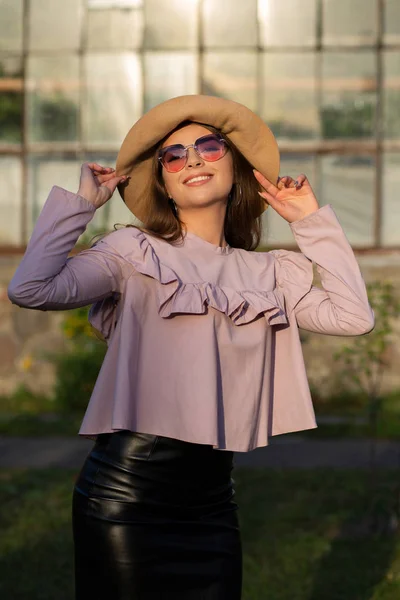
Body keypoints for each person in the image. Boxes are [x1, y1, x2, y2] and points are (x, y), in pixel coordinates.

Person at [8, 95, 374, 599]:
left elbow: (354, 317)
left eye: (208, 146)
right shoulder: (133, 253)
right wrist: (80, 206)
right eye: (174, 155)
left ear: (236, 166)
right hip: (127, 498)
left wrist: (312, 223)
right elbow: (30, 289)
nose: (194, 160)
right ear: (162, 181)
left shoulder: (267, 274)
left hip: (213, 505)